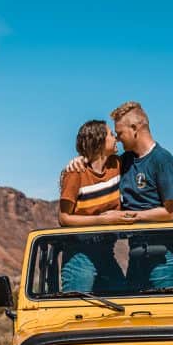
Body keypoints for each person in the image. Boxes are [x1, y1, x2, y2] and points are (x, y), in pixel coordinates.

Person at [65, 101, 173, 288]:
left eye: (119, 133)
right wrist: (80, 159)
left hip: (163, 259)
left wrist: (123, 217)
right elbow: (98, 160)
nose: (118, 139)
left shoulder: (163, 161)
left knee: (165, 314)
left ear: (135, 128)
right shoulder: (124, 161)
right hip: (136, 255)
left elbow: (172, 213)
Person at [57, 120, 126, 292]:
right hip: (80, 256)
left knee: (122, 297)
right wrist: (103, 220)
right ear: (100, 141)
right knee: (78, 310)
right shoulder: (75, 173)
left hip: (107, 251)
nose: (116, 138)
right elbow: (64, 218)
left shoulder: (116, 165)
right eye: (111, 134)